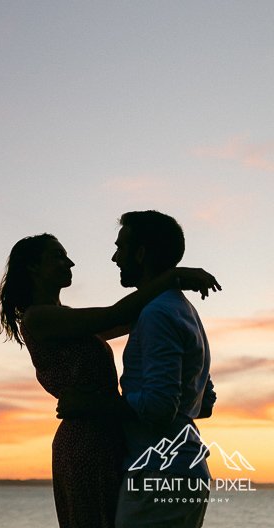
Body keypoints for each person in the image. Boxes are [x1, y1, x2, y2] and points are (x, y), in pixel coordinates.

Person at [0, 232, 218, 528]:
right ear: (33, 267)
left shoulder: (71, 322)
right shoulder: (39, 318)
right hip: (85, 441)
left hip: (111, 437)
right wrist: (173, 276)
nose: (70, 262)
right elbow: (117, 314)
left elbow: (130, 319)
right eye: (58, 256)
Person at [59, 211, 217, 528]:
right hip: (181, 472)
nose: (115, 257)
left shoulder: (158, 314)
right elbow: (205, 402)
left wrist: (91, 405)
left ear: (141, 253)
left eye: (121, 247)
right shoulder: (183, 310)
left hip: (159, 476)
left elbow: (160, 406)